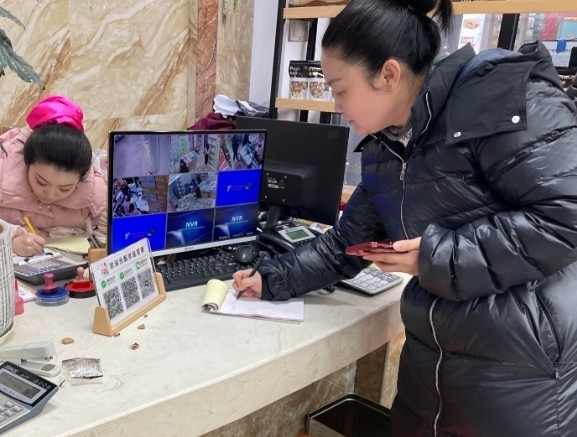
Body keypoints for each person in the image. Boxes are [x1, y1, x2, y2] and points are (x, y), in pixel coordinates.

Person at [233, 0, 577, 435]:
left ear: (388, 74)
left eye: (340, 89)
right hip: (428, 375)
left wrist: (438, 257)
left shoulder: (501, 95)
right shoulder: (387, 146)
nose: (336, 105)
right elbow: (346, 244)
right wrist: (273, 278)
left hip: (519, 380)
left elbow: (566, 217)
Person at [0, 95, 107, 257]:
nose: (50, 194)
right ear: (26, 163)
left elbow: (108, 230)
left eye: (65, 189)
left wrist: (52, 234)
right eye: (41, 182)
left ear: (81, 179)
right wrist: (10, 241)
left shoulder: (93, 189)